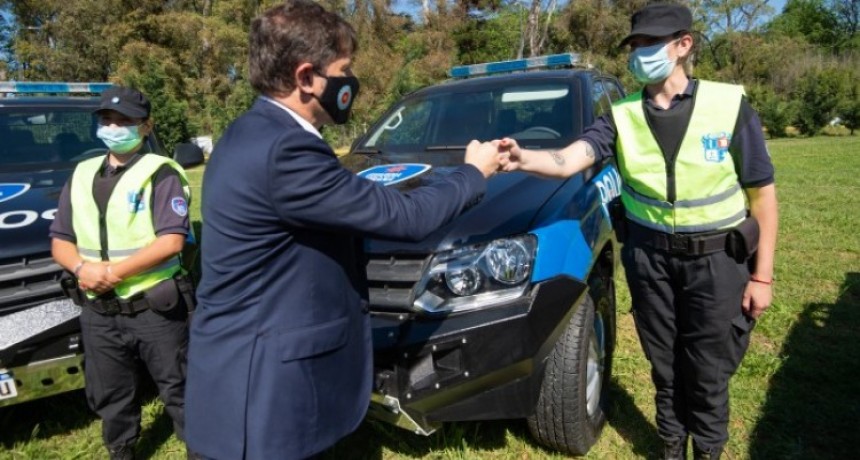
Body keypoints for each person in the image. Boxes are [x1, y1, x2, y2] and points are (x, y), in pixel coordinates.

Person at [183, 1, 499, 459]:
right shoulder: (286, 150)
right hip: (263, 403)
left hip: (240, 376)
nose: (350, 82)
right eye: (344, 69)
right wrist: (473, 173)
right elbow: (406, 219)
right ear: (306, 77)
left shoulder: (250, 132)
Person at [496, 4, 778, 459]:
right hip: (650, 260)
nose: (640, 54)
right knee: (664, 364)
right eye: (635, 46)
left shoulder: (728, 107)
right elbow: (570, 158)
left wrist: (762, 277)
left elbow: (763, 197)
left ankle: (707, 450)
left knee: (707, 369)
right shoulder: (621, 115)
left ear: (683, 45)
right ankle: (671, 446)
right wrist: (522, 157)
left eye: (650, 44)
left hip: (718, 261)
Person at [50, 86, 197, 460]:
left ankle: (202, 449)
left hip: (155, 308)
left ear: (145, 127)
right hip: (99, 310)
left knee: (180, 386)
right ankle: (122, 450)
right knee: (111, 393)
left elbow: (171, 241)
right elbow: (60, 241)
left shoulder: (160, 173)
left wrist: (112, 272)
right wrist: (83, 268)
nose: (114, 127)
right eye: (107, 120)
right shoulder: (82, 174)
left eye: (125, 121)